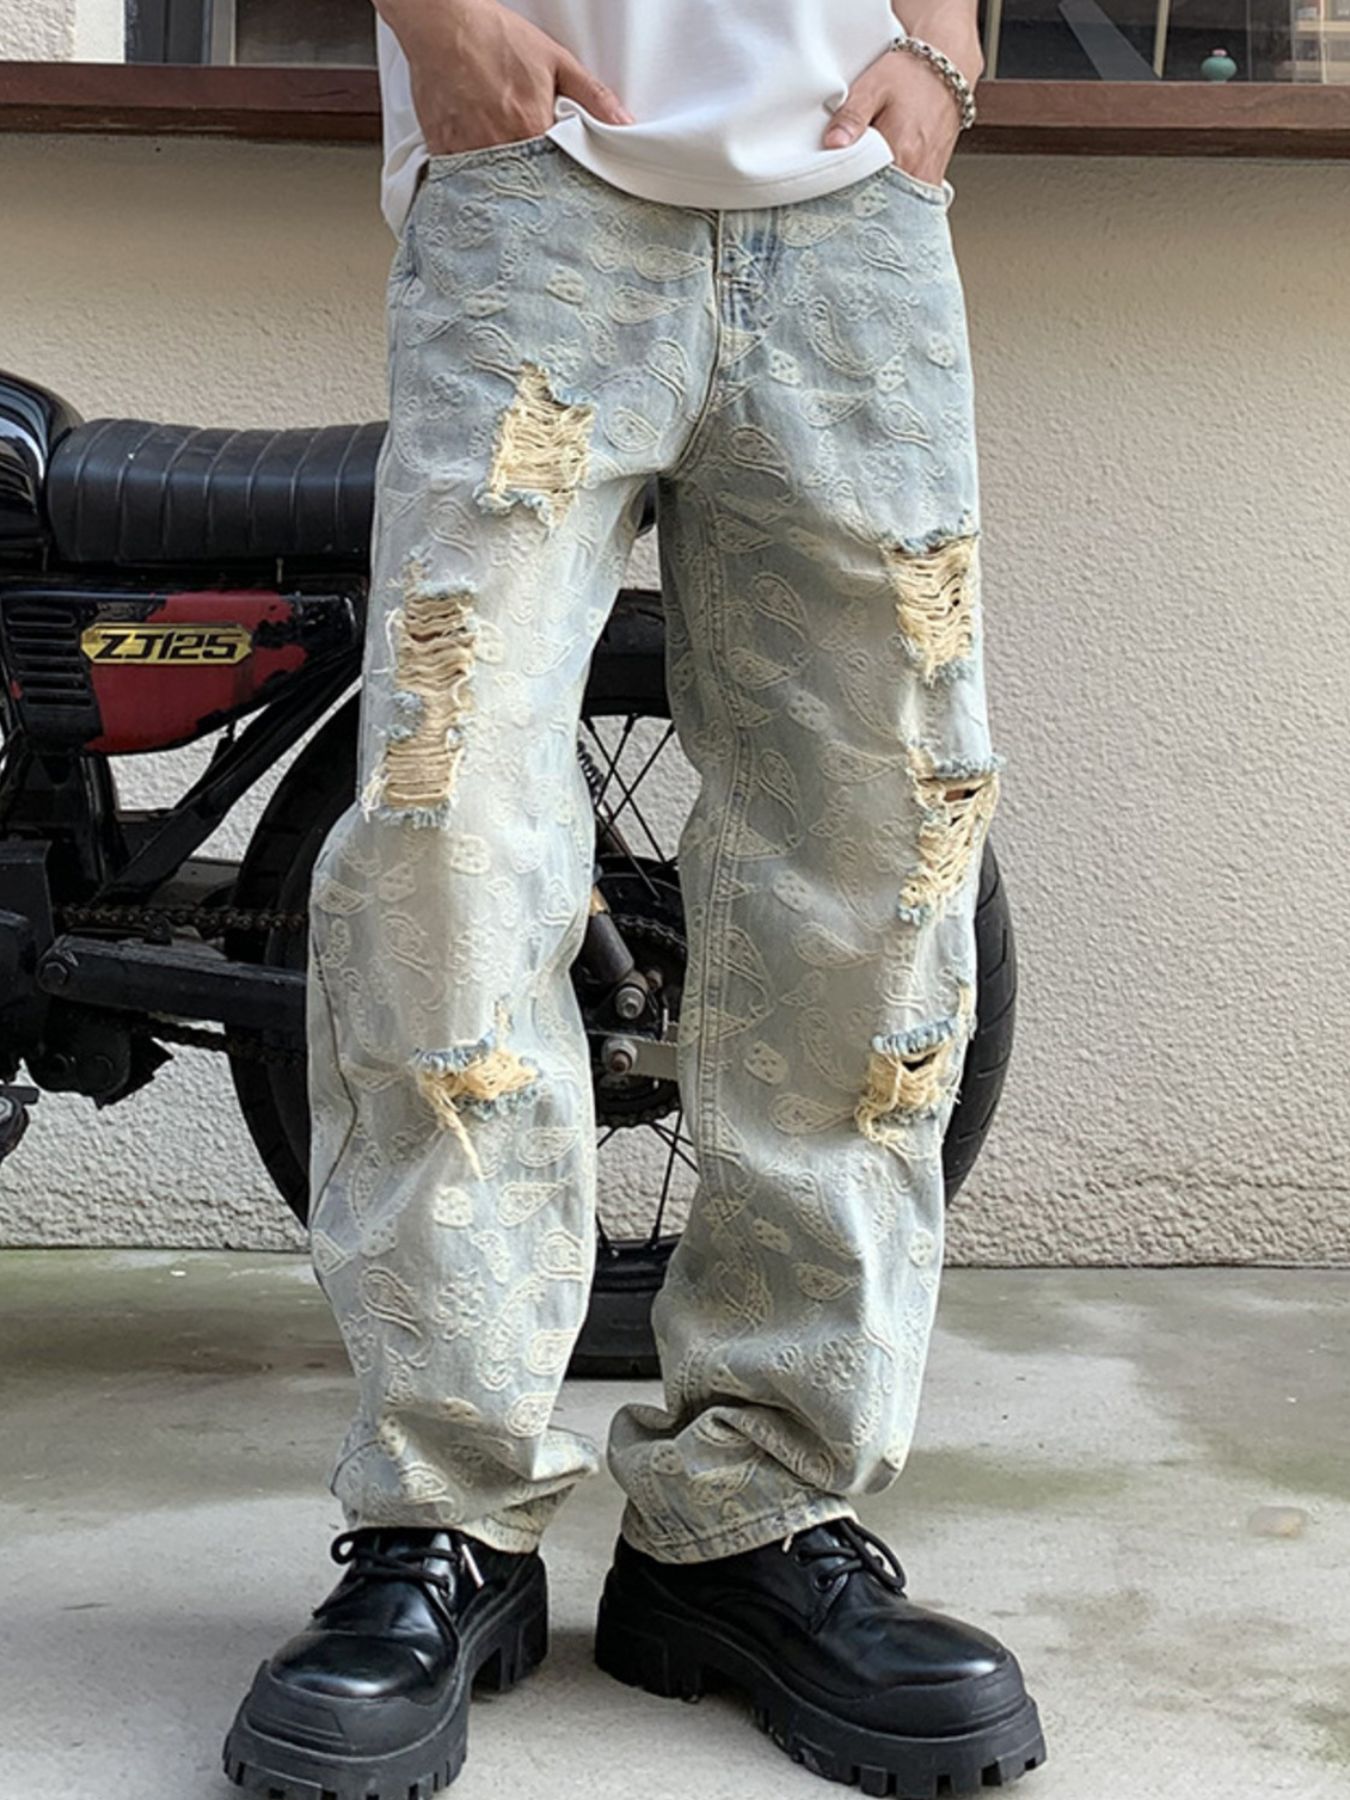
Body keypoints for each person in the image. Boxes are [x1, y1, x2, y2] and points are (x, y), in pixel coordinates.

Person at [224, 2, 1046, 1795]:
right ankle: (442, 1519)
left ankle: (755, 1516)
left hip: (852, 197)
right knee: (446, 847)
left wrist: (944, 54)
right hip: (539, 185)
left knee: (879, 854)